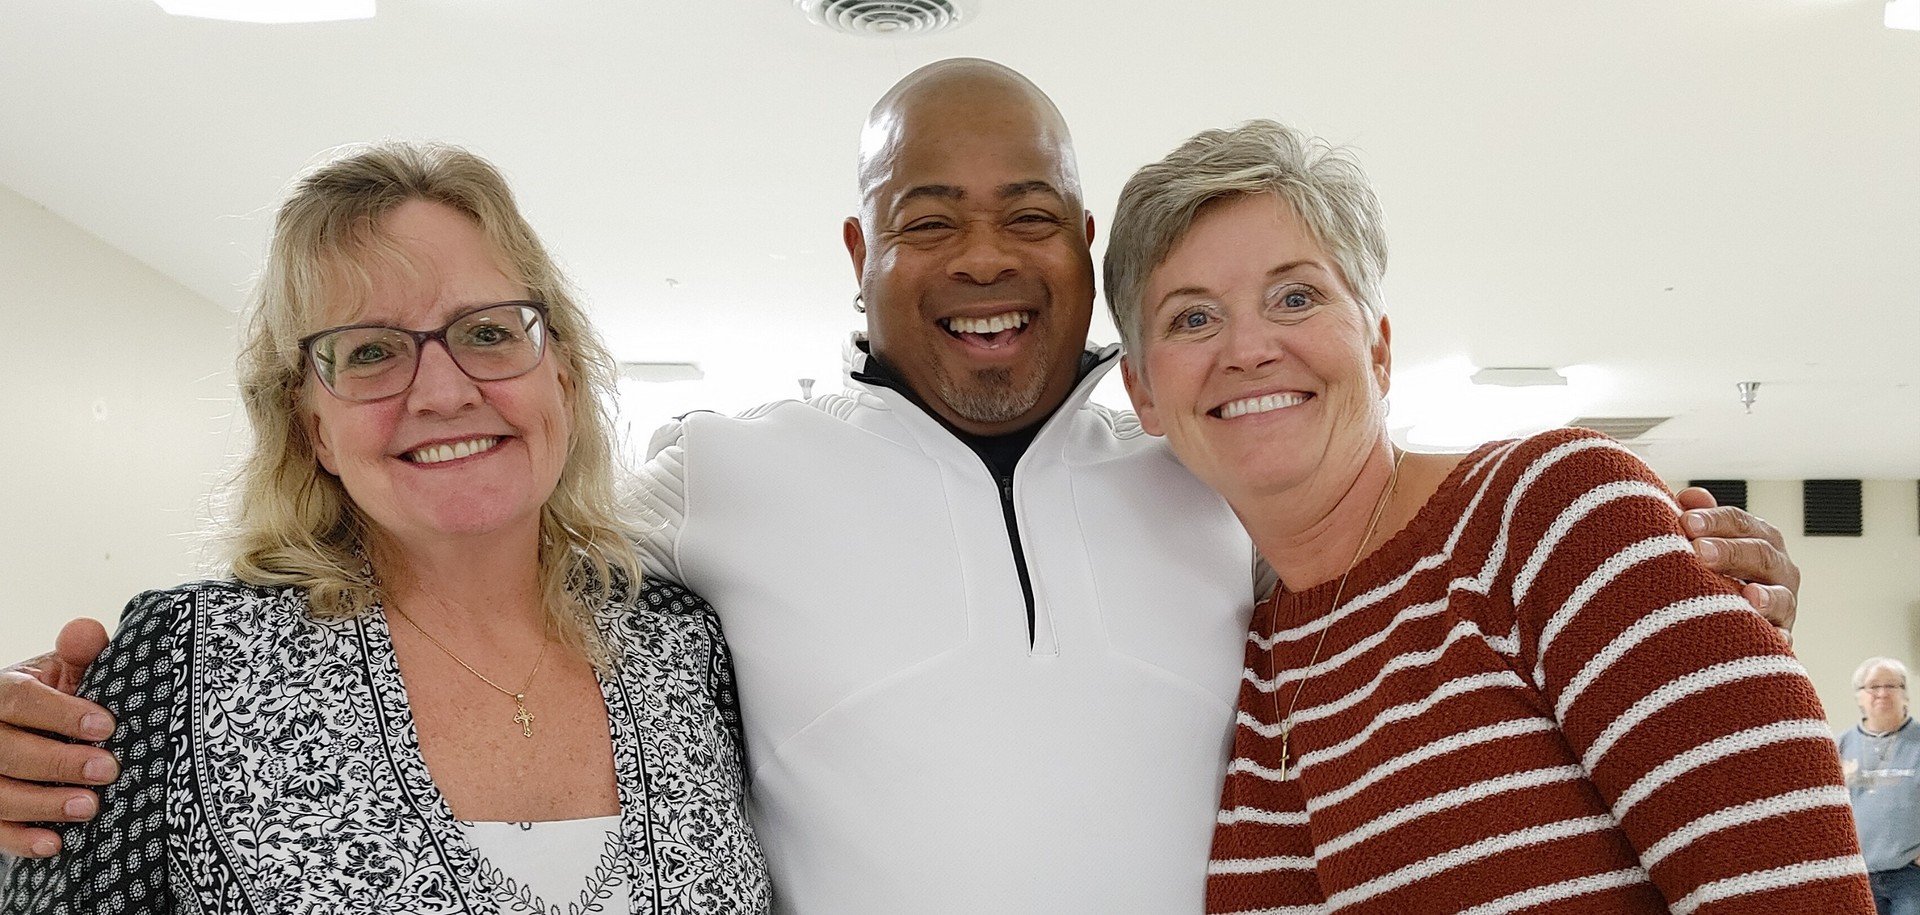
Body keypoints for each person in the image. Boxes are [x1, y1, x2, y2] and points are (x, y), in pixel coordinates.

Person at [0, 60, 1803, 914]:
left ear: (1086, 246)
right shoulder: (720, 477)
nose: (984, 255)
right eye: (928, 217)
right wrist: (53, 716)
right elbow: (450, 530)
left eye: (1031, 213)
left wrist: (1679, 563)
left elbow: (1396, 550)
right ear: (861, 253)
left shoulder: (1207, 468)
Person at [1103, 118, 1869, 912]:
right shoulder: (1245, 651)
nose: (1248, 348)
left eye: (1295, 297)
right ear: (1143, 393)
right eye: (1193, 318)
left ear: (1379, 350)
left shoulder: (1556, 515)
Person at [0, 143, 769, 912]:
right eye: (370, 351)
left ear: (562, 381)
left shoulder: (691, 644)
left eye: (489, 332)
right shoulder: (183, 660)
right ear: (314, 428)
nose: (443, 392)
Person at [1839, 657, 1920, 914]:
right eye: (1873, 686)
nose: (1882, 693)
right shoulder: (1839, 746)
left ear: (1905, 694)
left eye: (1891, 686)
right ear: (1859, 696)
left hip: (1910, 875)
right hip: (1857, 874)